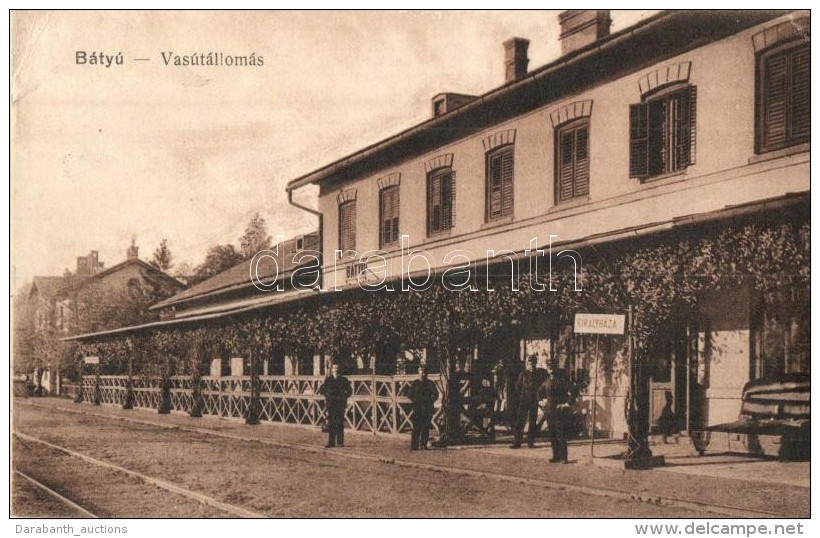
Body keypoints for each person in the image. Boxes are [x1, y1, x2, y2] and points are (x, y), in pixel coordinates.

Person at [511, 355, 545, 449]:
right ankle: (517, 442)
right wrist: (522, 396)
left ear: (535, 364)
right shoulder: (523, 374)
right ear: (528, 364)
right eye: (530, 364)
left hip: (534, 400)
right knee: (520, 421)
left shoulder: (539, 374)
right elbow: (517, 387)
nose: (532, 366)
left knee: (532, 421)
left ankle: (531, 442)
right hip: (524, 399)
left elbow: (542, 387)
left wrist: (540, 398)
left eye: (533, 364)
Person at [319, 364, 352, 448]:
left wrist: (344, 397)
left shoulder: (343, 380)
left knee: (340, 423)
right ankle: (331, 442)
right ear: (332, 370)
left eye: (337, 368)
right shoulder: (328, 380)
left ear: (339, 369)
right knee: (331, 423)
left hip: (340, 404)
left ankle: (340, 442)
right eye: (334, 368)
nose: (336, 369)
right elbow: (322, 390)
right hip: (331, 404)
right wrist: (328, 395)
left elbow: (349, 391)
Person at [545, 365, 573, 463]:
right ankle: (555, 456)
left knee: (560, 434)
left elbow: (573, 391)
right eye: (549, 368)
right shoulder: (547, 381)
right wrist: (541, 401)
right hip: (549, 411)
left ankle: (564, 457)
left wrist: (567, 403)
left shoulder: (562, 380)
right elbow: (539, 391)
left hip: (559, 411)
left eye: (552, 369)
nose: (551, 371)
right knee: (552, 434)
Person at [408, 366, 438, 450]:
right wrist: (415, 401)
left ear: (427, 374)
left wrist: (430, 400)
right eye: (421, 371)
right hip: (417, 408)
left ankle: (423, 444)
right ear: (418, 372)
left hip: (427, 408)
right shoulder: (415, 383)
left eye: (425, 372)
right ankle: (414, 445)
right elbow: (409, 394)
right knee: (416, 427)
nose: (423, 374)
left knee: (425, 427)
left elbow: (436, 394)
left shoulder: (430, 384)